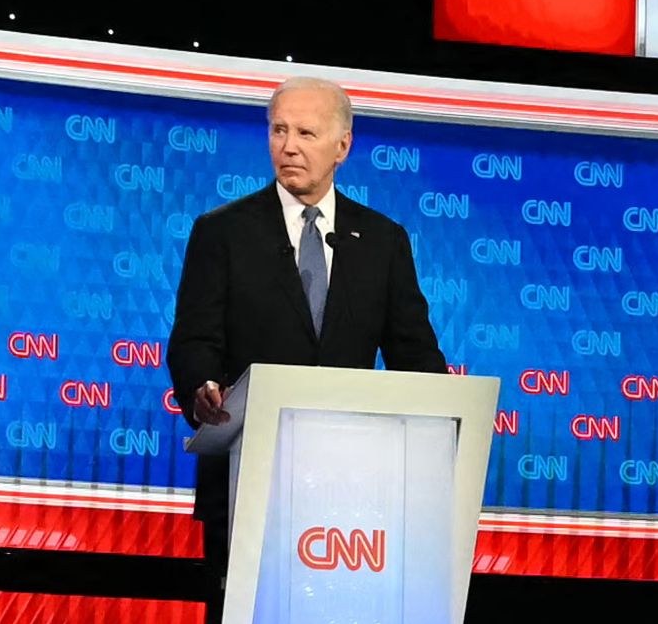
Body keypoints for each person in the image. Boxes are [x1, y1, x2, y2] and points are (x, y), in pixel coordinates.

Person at [156, 73, 449, 561]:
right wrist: (202, 387)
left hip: (353, 490)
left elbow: (415, 354)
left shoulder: (383, 241)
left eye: (306, 133)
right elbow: (193, 340)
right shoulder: (222, 232)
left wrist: (442, 422)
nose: (288, 146)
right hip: (246, 478)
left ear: (342, 146)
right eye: (279, 130)